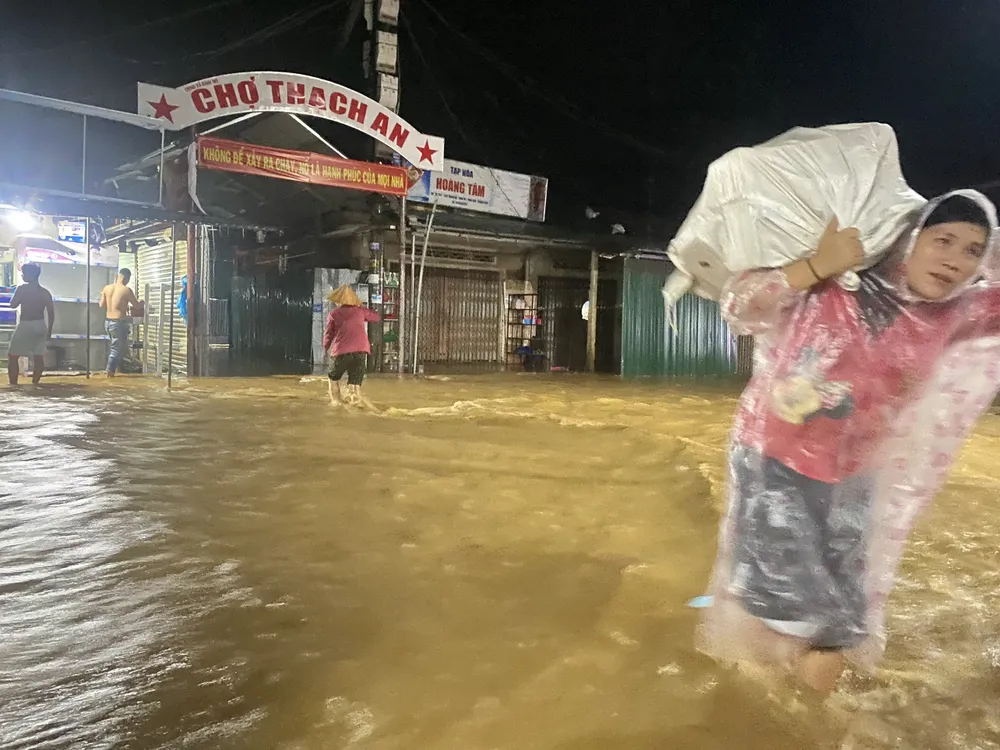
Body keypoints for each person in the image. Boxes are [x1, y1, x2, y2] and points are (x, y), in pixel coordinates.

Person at [700, 191, 1000, 697]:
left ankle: (774, 712)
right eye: (943, 240)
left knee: (837, 618)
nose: (954, 259)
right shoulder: (836, 288)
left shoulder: (953, 313)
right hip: (776, 465)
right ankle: (787, 722)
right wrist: (818, 263)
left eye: (973, 251)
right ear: (909, 239)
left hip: (854, 482)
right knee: (821, 628)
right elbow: (739, 307)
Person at [322, 284, 380, 409]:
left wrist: (325, 348)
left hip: (341, 352)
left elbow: (328, 334)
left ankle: (336, 404)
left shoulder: (334, 314)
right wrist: (362, 308)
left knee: (333, 379)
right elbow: (376, 318)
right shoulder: (360, 311)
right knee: (355, 386)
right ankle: (364, 407)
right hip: (361, 352)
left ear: (338, 301)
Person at [7, 263, 54, 386]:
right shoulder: (45, 292)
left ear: (29, 275)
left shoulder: (22, 289)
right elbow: (51, 313)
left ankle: (13, 385)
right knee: (38, 357)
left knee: (13, 355)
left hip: (25, 325)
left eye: (24, 273)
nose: (22, 275)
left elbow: (13, 304)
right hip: (40, 325)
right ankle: (35, 384)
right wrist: (49, 330)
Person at [99, 269, 140, 377]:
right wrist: (143, 302)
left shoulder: (107, 288)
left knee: (115, 348)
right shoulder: (126, 290)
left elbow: (101, 305)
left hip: (108, 322)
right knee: (116, 350)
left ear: (118, 276)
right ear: (127, 278)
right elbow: (137, 306)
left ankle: (114, 370)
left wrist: (103, 295)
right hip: (118, 323)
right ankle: (109, 373)